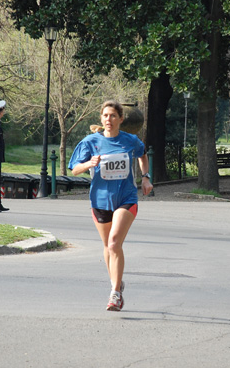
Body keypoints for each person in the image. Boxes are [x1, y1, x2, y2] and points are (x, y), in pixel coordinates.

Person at [68, 100, 153, 311]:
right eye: (105, 115)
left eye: (113, 116)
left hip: (126, 198)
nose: (109, 119)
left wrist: (145, 177)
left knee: (114, 243)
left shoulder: (129, 140)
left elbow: (142, 154)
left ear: (121, 119)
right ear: (101, 118)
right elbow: (74, 169)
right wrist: (89, 163)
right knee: (107, 246)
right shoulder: (90, 142)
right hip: (100, 199)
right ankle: (117, 281)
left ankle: (115, 294)